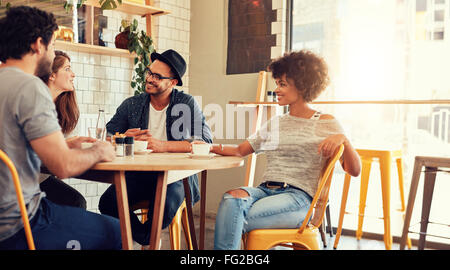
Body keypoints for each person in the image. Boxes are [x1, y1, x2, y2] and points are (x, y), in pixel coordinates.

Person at [209, 50, 361, 250]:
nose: (276, 89)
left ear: (302, 85)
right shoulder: (277, 123)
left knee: (234, 218)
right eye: (277, 83)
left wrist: (344, 140)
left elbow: (355, 170)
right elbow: (240, 150)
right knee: (231, 200)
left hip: (298, 199)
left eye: (282, 84)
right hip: (264, 190)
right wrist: (208, 146)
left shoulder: (325, 122)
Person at [0, 6, 121, 250]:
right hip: (19, 223)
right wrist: (100, 150)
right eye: (52, 45)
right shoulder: (30, 87)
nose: (53, 52)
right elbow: (63, 166)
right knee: (119, 232)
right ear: (37, 45)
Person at [99, 49, 213, 245]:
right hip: (138, 174)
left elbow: (204, 142)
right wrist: (122, 137)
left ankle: (144, 238)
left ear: (173, 82)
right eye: (149, 73)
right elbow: (106, 135)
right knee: (108, 202)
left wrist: (162, 145)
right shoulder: (132, 104)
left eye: (157, 76)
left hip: (175, 178)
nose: (150, 79)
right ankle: (147, 238)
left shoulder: (185, 104)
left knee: (165, 206)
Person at [38, 50, 87, 209]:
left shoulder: (62, 108)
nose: (73, 74)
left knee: (76, 202)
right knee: (76, 202)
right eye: (67, 69)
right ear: (52, 75)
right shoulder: (35, 104)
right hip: (26, 180)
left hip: (42, 176)